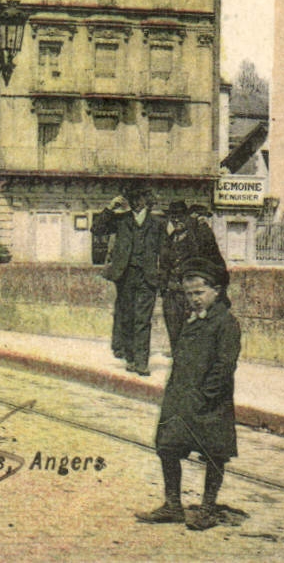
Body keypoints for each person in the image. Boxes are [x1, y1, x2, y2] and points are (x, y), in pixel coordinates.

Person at [136, 259, 240, 532]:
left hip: (210, 402)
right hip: (181, 397)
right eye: (189, 294)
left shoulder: (225, 322)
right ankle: (173, 505)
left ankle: (207, 509)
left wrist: (205, 396)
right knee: (167, 447)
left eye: (199, 293)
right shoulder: (191, 320)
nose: (194, 299)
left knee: (214, 454)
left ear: (216, 291)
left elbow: (224, 365)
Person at [93, 184, 163, 375]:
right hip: (125, 276)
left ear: (147, 201)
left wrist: (161, 276)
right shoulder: (120, 220)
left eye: (139, 198)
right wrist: (110, 208)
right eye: (132, 198)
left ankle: (141, 362)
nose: (135, 202)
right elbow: (96, 229)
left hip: (147, 277)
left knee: (143, 320)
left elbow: (165, 252)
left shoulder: (157, 224)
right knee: (127, 318)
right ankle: (131, 358)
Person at [158, 202, 227, 353]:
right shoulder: (169, 240)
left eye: (180, 217)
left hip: (190, 294)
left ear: (187, 218)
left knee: (193, 333)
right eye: (173, 217)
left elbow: (213, 258)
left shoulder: (197, 237)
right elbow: (163, 265)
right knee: (174, 333)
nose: (176, 221)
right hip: (171, 294)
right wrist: (163, 288)